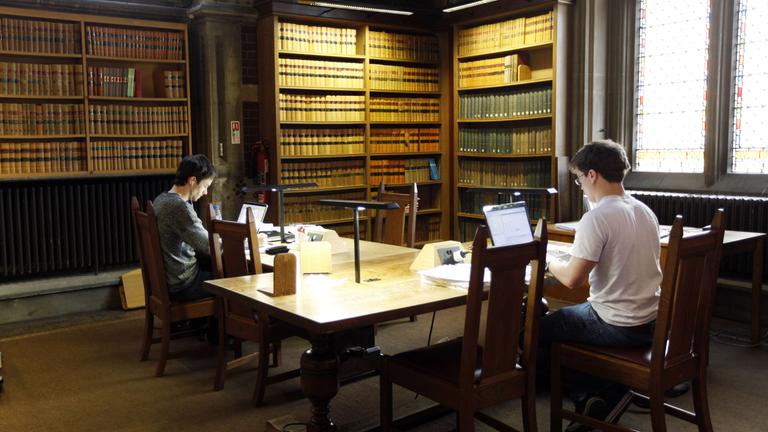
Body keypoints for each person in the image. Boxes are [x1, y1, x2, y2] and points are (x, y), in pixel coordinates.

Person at [541, 140, 662, 432]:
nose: (580, 185)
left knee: (542, 329)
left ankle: (589, 395)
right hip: (650, 321)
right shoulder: (645, 211)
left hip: (616, 323)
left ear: (592, 174)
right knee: (571, 316)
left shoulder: (596, 217)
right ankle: (608, 386)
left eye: (579, 178)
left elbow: (572, 280)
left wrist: (547, 260)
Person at [153, 154, 217, 302]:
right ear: (193, 180)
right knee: (234, 277)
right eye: (205, 186)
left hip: (170, 278)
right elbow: (209, 246)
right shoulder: (179, 208)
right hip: (185, 283)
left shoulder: (161, 199)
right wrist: (243, 243)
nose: (205, 192)